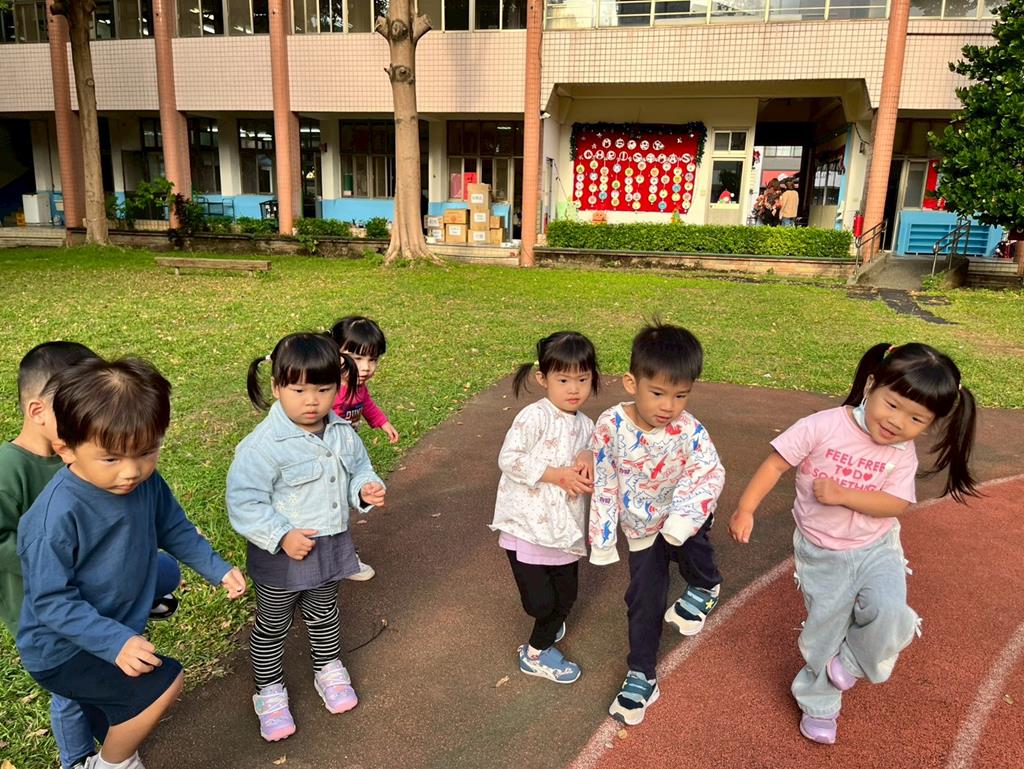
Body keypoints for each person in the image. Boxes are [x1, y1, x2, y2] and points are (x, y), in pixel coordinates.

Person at [728, 342, 978, 746]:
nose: (897, 422)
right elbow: (776, 463)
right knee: (824, 635)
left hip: (877, 548)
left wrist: (844, 495)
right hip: (822, 553)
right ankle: (819, 704)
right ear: (871, 385)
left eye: (916, 418)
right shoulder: (823, 426)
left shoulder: (902, 453)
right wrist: (745, 509)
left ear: (930, 423)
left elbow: (895, 504)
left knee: (892, 613)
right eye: (892, 405)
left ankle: (853, 660)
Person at [17, 357, 246, 769]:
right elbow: (50, 602)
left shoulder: (146, 482)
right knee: (162, 685)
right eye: (111, 459)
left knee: (115, 716)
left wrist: (216, 568)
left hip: (112, 624)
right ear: (66, 449)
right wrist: (115, 642)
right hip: (61, 649)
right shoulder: (54, 519)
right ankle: (108, 765)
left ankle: (106, 751)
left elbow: (173, 528)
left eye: (146, 452)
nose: (131, 472)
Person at [227, 332, 386, 742]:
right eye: (298, 390)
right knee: (272, 625)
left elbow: (359, 469)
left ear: (338, 387)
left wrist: (365, 489)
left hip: (330, 548)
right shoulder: (262, 446)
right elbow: (244, 503)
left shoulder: (342, 432)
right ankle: (269, 691)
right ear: (277, 387)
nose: (312, 400)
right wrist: (281, 535)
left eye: (323, 389)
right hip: (281, 557)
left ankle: (328, 668)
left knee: (324, 613)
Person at [589, 322, 726, 725]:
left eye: (681, 395)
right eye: (659, 393)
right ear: (631, 383)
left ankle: (705, 583)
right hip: (641, 529)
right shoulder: (610, 426)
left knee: (692, 546)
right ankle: (642, 674)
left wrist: (681, 522)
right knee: (643, 601)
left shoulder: (689, 430)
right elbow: (604, 481)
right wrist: (602, 539)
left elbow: (708, 474)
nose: (669, 406)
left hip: (683, 513)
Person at [489, 332, 600, 685]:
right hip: (527, 526)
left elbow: (596, 453)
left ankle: (538, 648)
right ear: (543, 378)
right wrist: (556, 475)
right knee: (539, 604)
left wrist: (589, 455)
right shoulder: (534, 416)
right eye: (563, 380)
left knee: (566, 598)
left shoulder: (587, 425)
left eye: (583, 379)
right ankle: (540, 643)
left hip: (564, 530)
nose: (574, 389)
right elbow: (509, 458)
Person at [328, 315, 398, 582]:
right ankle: (340, 560)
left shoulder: (359, 385)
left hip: (347, 453)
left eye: (373, 359)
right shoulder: (330, 390)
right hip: (328, 457)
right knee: (333, 507)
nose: (366, 368)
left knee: (341, 507)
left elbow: (366, 404)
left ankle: (341, 557)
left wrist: (382, 422)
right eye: (356, 358)